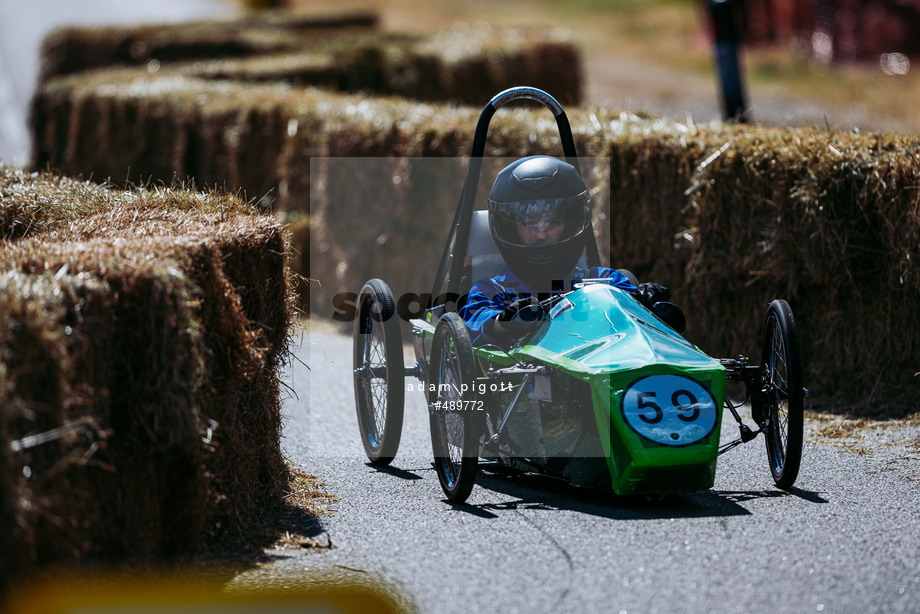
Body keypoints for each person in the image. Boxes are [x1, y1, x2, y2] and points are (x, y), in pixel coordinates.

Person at [458, 155, 671, 346]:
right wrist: (504, 322)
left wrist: (645, 301)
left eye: (551, 223)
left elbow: (629, 307)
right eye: (529, 223)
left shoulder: (602, 280)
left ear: (570, 223)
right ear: (511, 228)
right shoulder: (492, 289)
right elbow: (471, 324)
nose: (541, 235)